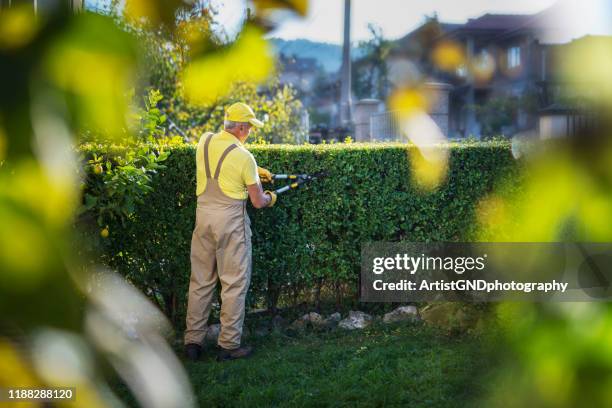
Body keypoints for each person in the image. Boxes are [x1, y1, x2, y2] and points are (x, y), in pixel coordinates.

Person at [184, 102, 276, 362]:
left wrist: (253, 174)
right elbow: (258, 201)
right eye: (248, 127)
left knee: (200, 281)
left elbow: (221, 165)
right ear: (239, 127)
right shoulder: (244, 157)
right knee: (234, 283)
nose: (249, 132)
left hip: (203, 220)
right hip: (230, 222)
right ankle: (228, 346)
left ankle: (192, 342)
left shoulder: (204, 141)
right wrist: (270, 196)